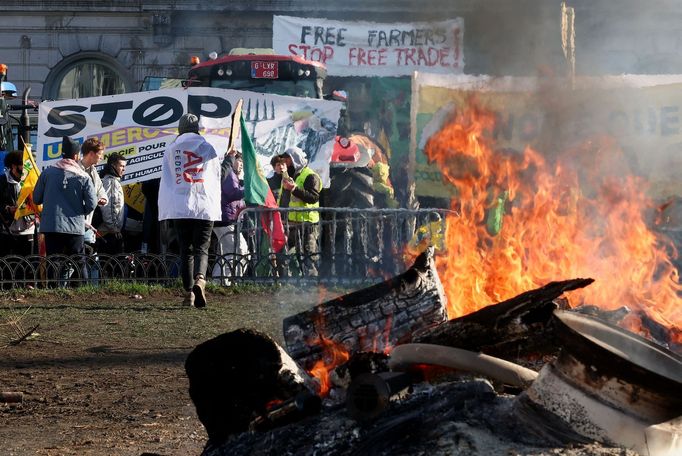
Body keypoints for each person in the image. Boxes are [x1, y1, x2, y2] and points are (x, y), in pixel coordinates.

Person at [158, 113, 222, 307]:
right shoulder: (208, 147)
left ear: (180, 129)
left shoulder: (171, 149)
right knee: (202, 248)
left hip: (180, 207)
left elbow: (167, 179)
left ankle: (188, 294)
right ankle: (200, 280)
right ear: (197, 129)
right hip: (203, 205)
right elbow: (217, 174)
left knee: (186, 250)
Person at [33, 137, 97, 286]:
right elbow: (92, 203)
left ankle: (53, 292)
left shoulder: (47, 173)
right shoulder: (83, 176)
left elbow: (36, 199)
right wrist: (80, 212)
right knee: (79, 262)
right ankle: (83, 292)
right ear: (76, 156)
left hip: (51, 226)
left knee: (54, 261)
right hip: (74, 227)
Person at [280, 146, 322, 277]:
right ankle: (287, 281)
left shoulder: (311, 176)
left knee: (308, 256)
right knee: (284, 252)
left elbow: (313, 197)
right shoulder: (291, 176)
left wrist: (294, 189)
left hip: (307, 224)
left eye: (288, 160)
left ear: (295, 160)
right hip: (291, 223)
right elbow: (285, 199)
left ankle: (310, 286)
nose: (286, 164)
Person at [212, 151, 248, 285]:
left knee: (227, 253)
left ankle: (219, 281)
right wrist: (249, 188)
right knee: (237, 251)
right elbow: (233, 193)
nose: (241, 165)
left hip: (226, 219)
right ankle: (223, 282)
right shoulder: (230, 175)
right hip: (226, 220)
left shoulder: (232, 175)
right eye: (239, 161)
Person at [0, 150, 33, 257]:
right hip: (8, 230)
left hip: (28, 229)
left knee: (27, 264)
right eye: (23, 165)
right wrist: (8, 209)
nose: (25, 169)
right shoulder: (2, 181)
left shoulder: (30, 180)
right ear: (14, 166)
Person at [79, 138, 108, 249]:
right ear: (91, 154)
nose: (101, 157)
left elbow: (101, 189)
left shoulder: (93, 171)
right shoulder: (75, 170)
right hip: (76, 224)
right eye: (100, 154)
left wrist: (103, 199)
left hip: (88, 224)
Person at [96, 153, 127, 255]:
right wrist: (113, 228)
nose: (124, 169)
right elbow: (108, 207)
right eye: (121, 166)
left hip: (109, 231)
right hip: (108, 232)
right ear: (113, 166)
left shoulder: (111, 180)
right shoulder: (111, 181)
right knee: (112, 264)